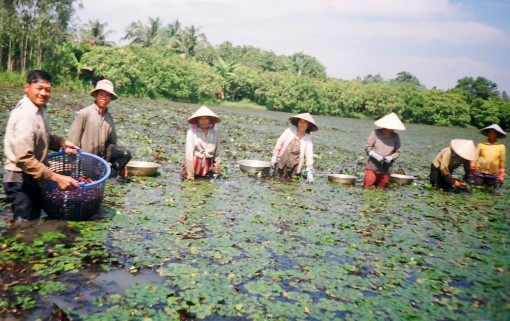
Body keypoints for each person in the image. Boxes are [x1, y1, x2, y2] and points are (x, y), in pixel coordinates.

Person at [3, 70, 81, 221]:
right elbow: (24, 158)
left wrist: (61, 142)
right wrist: (56, 177)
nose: (43, 93)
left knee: (32, 220)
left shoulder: (38, 109)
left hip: (32, 177)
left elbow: (41, 135)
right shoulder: (26, 114)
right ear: (27, 87)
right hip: (20, 179)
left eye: (48, 90)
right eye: (39, 88)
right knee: (24, 227)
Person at [68, 79, 132, 178]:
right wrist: (71, 162)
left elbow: (113, 144)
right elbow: (73, 140)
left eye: (107, 95)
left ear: (110, 98)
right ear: (96, 95)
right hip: (87, 158)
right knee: (89, 176)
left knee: (125, 154)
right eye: (101, 94)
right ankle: (101, 175)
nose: (104, 98)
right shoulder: (84, 114)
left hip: (102, 157)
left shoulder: (109, 118)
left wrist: (122, 165)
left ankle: (110, 176)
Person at [271, 112, 318, 184]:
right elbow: (279, 143)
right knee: (275, 182)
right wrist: (274, 156)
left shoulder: (308, 139)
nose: (302, 124)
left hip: (294, 167)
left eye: (305, 123)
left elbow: (309, 156)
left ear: (308, 125)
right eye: (301, 122)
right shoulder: (289, 131)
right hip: (281, 162)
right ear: (297, 122)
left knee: (290, 186)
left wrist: (309, 171)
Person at [364, 112, 405, 189]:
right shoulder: (375, 133)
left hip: (386, 167)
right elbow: (368, 148)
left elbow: (397, 152)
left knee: (381, 188)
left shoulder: (395, 136)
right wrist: (375, 155)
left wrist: (390, 158)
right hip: (373, 165)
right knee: (368, 183)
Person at [182, 106, 222, 181]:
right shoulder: (192, 132)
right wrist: (190, 175)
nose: (204, 121)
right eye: (201, 119)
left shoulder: (215, 133)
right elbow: (189, 154)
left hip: (208, 168)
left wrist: (216, 168)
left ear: (210, 120)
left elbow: (217, 153)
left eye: (206, 118)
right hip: (195, 166)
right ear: (197, 120)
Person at [472, 124, 506, 192]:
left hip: (493, 174)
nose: (491, 134)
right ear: (488, 133)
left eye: (493, 132)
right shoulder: (481, 144)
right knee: (476, 190)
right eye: (490, 132)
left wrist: (501, 175)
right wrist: (472, 167)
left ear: (497, 134)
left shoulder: (501, 147)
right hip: (480, 172)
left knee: (493, 192)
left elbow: (502, 163)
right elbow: (475, 158)